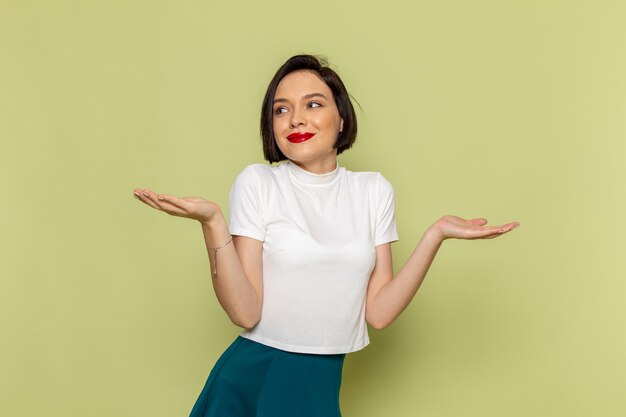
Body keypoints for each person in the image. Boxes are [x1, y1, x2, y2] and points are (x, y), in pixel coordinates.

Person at [132, 54, 519, 417]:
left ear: (343, 119)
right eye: (281, 109)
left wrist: (436, 235)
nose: (295, 119)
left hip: (318, 384)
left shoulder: (373, 191)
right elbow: (245, 312)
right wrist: (213, 223)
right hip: (256, 375)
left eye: (313, 104)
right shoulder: (259, 183)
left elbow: (379, 313)